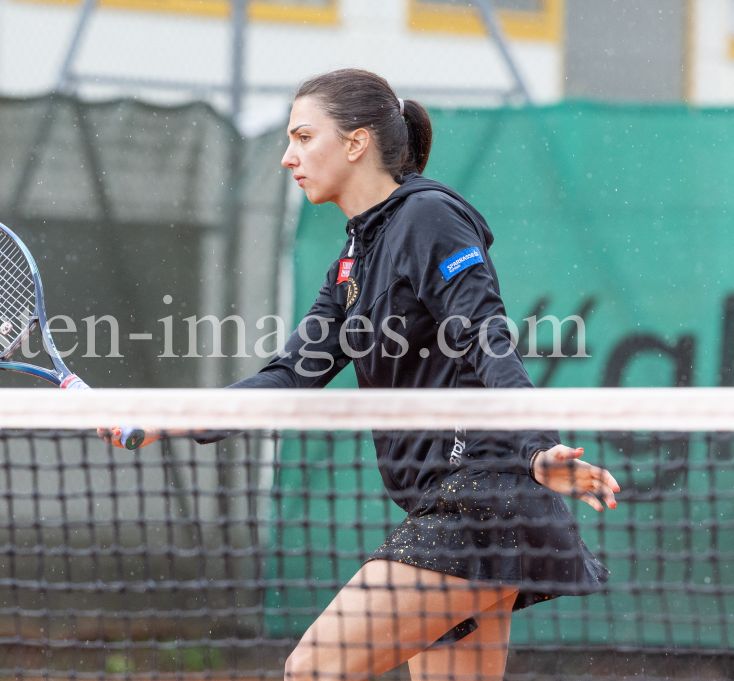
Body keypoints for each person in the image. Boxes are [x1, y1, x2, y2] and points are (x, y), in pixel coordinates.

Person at [102, 68, 619, 681]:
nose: (289, 157)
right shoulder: (352, 263)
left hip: (484, 506)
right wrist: (173, 418)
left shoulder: (428, 218)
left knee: (314, 669)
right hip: (455, 508)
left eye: (303, 136)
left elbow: (485, 334)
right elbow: (291, 376)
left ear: (356, 143)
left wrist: (535, 449)